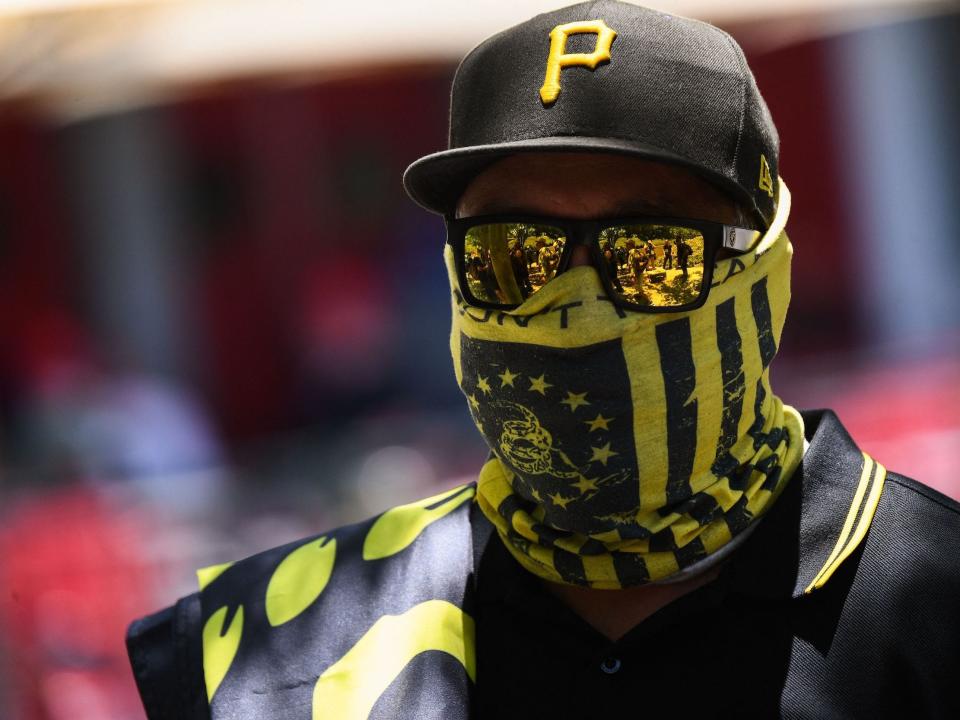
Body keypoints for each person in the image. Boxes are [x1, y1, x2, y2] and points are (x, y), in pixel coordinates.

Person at [127, 2, 960, 719]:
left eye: (650, 254)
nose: (575, 303)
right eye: (513, 256)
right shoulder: (268, 654)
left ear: (765, 272)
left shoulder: (930, 605)